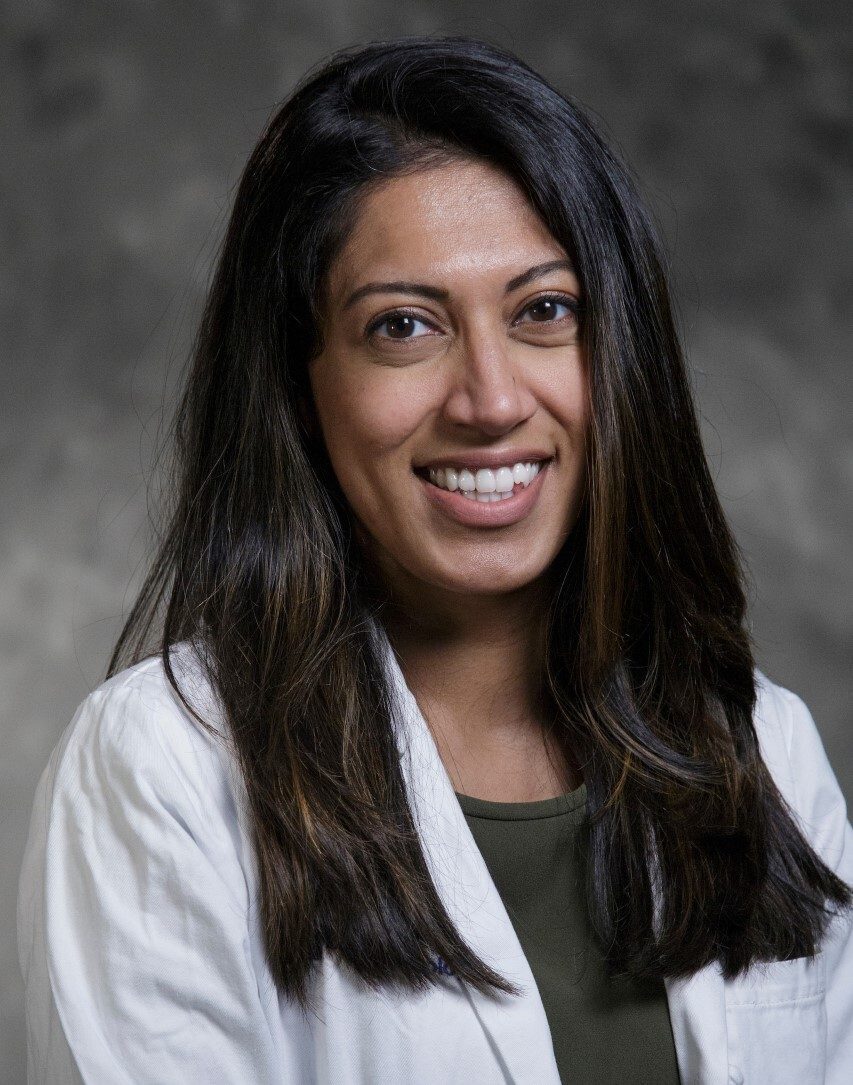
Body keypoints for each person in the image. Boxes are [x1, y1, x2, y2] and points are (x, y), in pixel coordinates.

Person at [18, 34, 853, 1085]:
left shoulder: (763, 749)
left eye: (544, 310)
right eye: (404, 326)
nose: (493, 400)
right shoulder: (165, 766)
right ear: (299, 382)